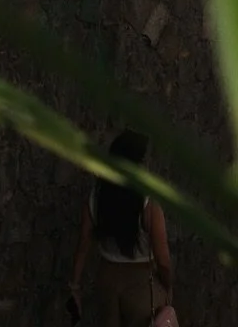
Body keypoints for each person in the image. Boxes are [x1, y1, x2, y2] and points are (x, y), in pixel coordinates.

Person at [68, 131, 173, 325]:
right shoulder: (149, 205)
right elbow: (163, 259)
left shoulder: (97, 197)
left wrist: (75, 285)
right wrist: (167, 287)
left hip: (106, 280)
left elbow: (83, 244)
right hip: (141, 283)